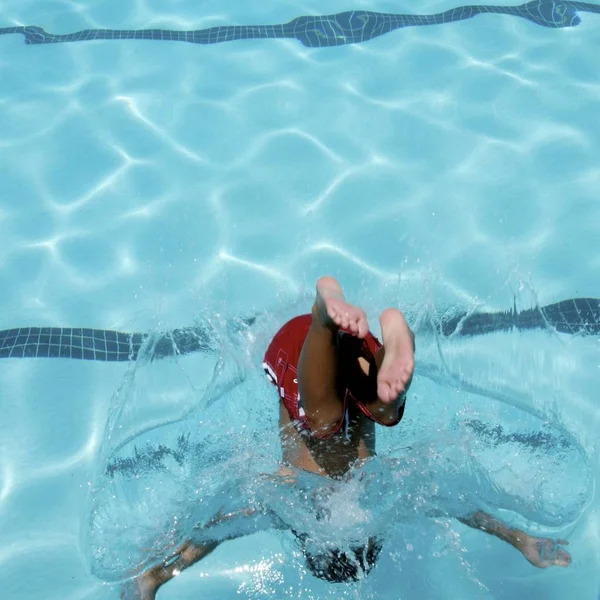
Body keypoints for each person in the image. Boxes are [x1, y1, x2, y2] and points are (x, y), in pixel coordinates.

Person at [124, 276, 571, 599]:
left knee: (328, 427)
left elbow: (211, 531)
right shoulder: (336, 495)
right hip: (350, 364)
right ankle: (393, 338)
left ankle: (326, 315)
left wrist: (154, 576)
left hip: (303, 359)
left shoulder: (285, 497)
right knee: (384, 407)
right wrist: (521, 538)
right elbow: (464, 507)